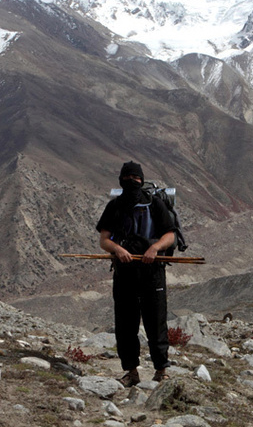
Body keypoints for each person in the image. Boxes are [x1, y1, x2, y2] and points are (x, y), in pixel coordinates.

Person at [96, 160, 177, 386]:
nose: (132, 182)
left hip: (153, 271)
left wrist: (155, 248)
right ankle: (131, 371)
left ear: (142, 180)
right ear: (121, 180)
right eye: (127, 178)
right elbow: (104, 240)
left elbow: (170, 235)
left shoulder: (155, 204)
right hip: (125, 273)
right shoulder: (114, 207)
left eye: (136, 178)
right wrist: (118, 249)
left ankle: (161, 370)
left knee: (156, 321)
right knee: (125, 324)